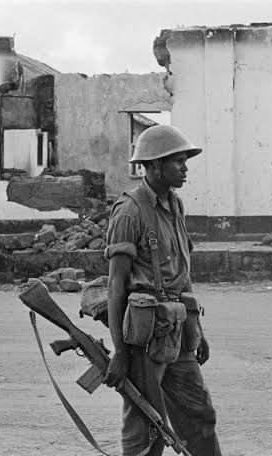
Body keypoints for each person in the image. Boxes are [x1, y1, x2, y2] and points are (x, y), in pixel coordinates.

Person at [103, 125, 221, 456]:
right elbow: (115, 285)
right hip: (145, 340)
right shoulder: (129, 211)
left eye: (185, 161)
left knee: (199, 417)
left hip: (178, 331)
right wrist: (120, 352)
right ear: (155, 166)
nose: (185, 168)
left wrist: (197, 329)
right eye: (179, 162)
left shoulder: (175, 205)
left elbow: (182, 274)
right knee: (147, 428)